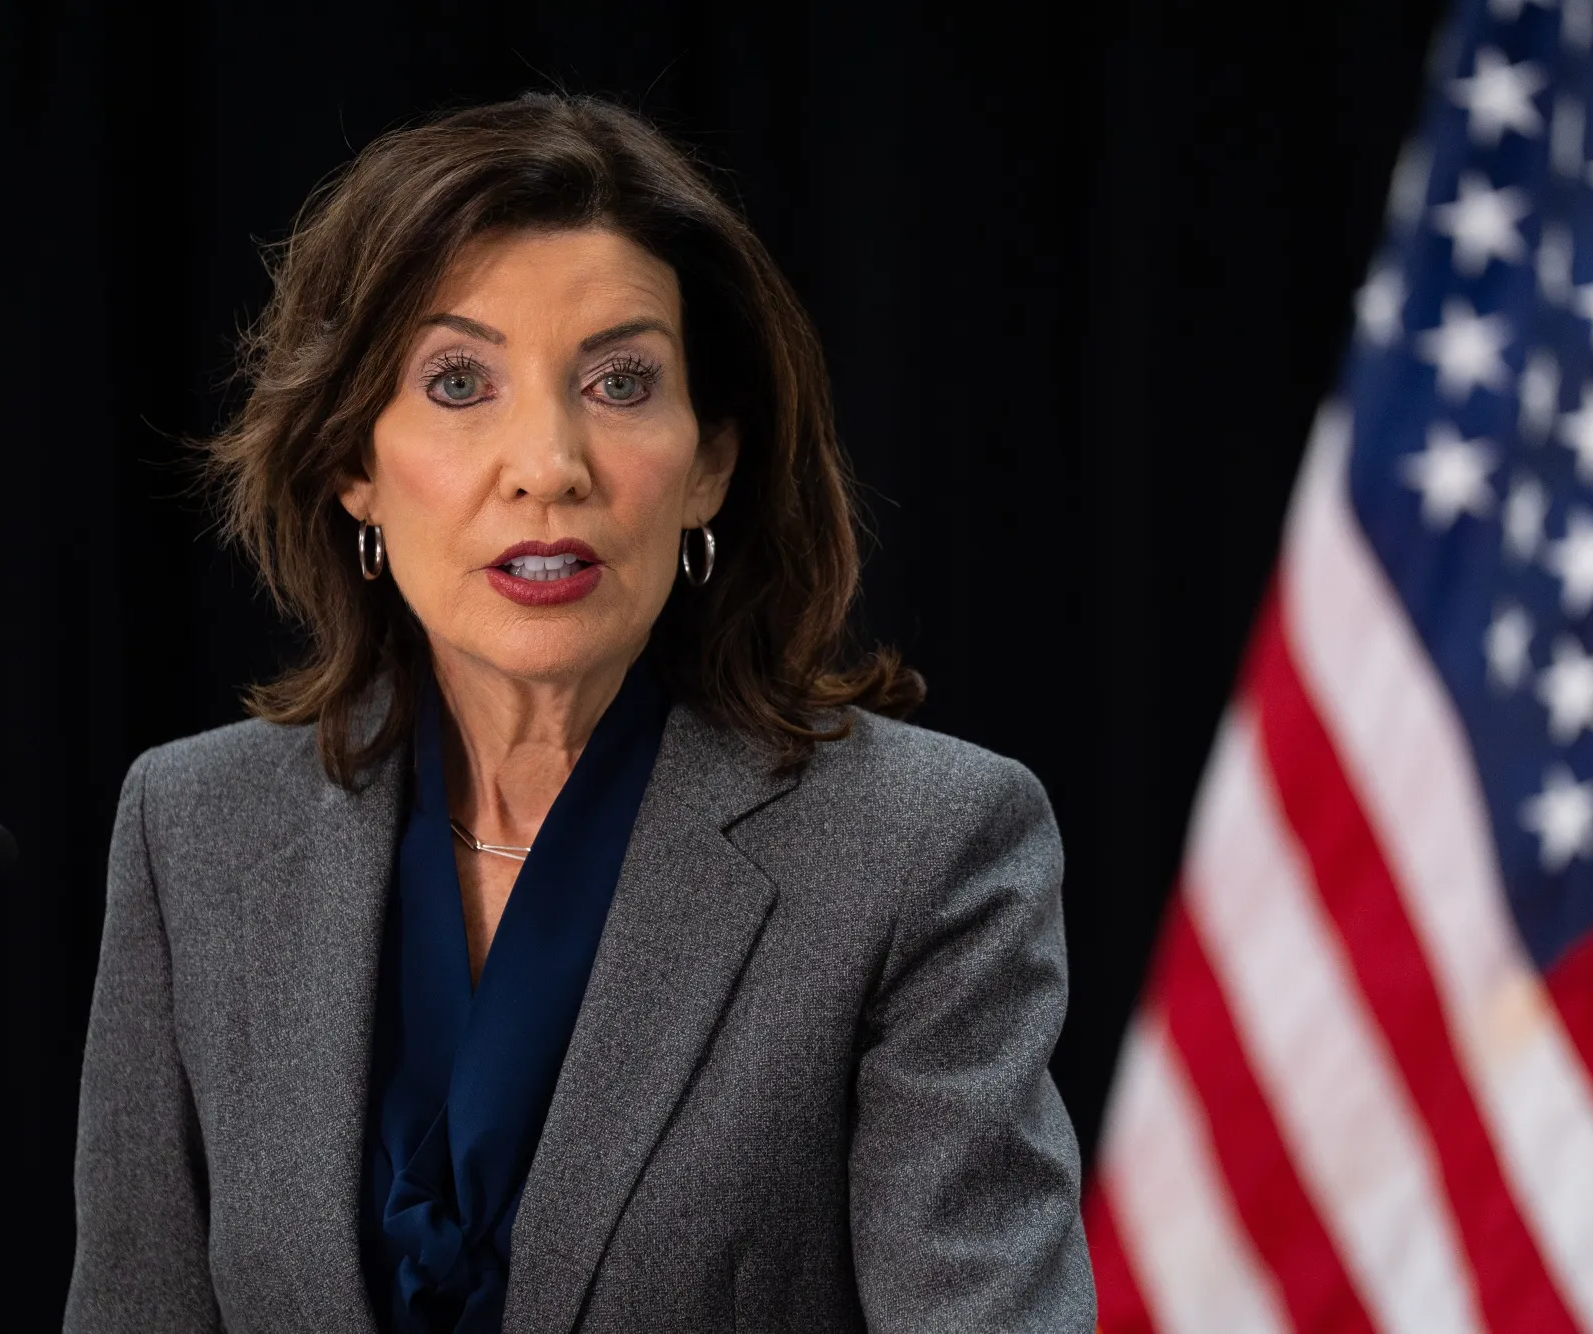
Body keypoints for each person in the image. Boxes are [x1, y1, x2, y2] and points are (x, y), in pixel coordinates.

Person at [65, 93, 1093, 1333]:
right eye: (458, 381)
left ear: (710, 458)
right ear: (352, 464)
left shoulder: (923, 848)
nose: (548, 460)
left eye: (619, 381)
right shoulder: (194, 830)